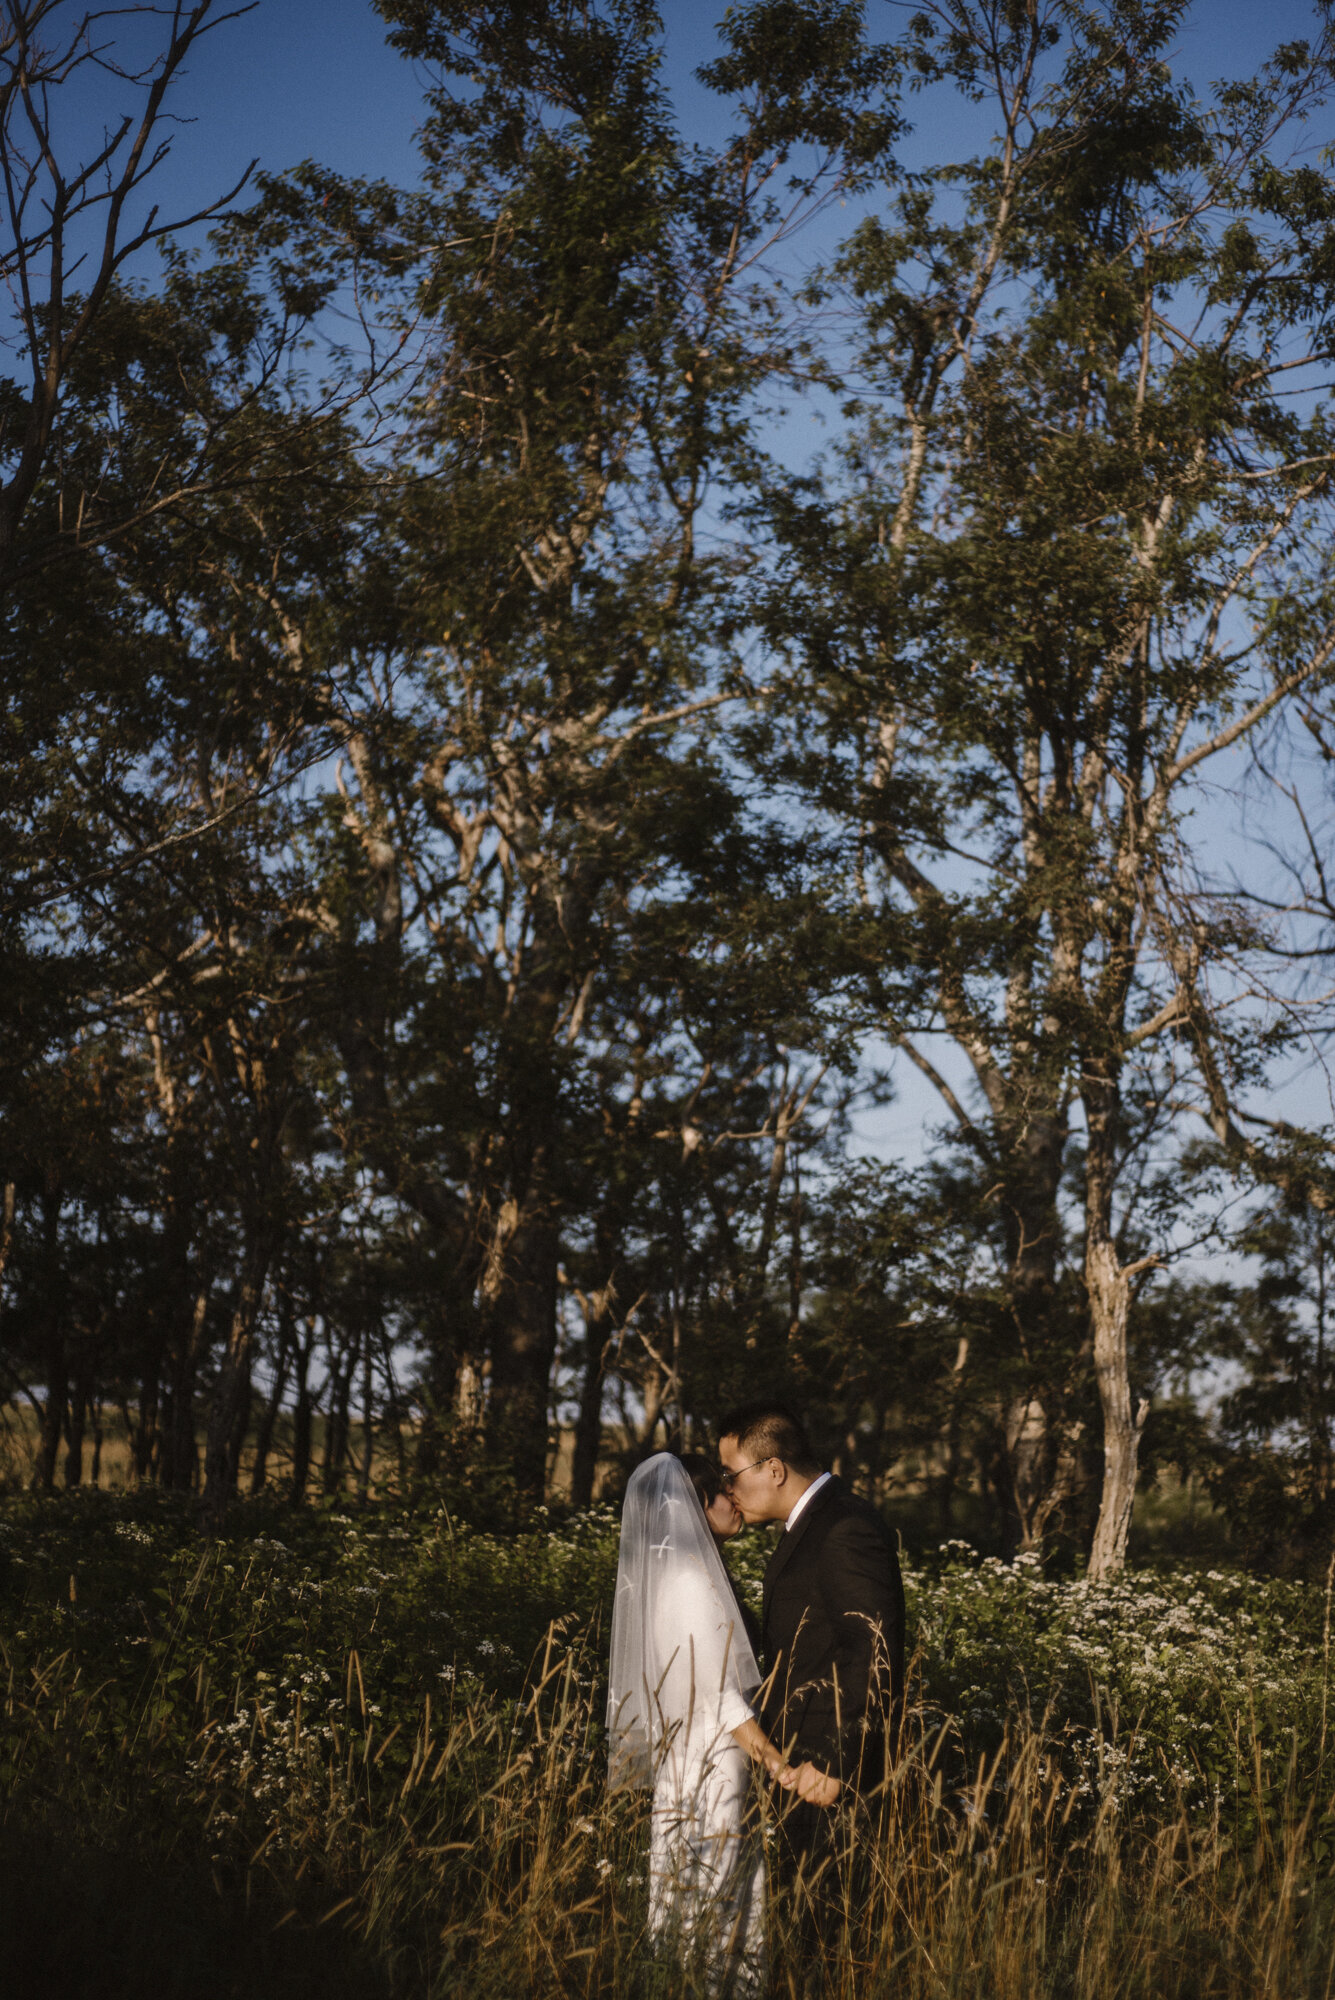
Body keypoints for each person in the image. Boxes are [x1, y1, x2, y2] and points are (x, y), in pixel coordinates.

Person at [716, 1402, 905, 1933]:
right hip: (795, 1767)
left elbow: (873, 1650)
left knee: (826, 1931)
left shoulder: (844, 1526)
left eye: (732, 1475)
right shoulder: (812, 1523)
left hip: (826, 1773)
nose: (728, 1489)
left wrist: (835, 1761)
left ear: (773, 1469)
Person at [606, 1451, 786, 1993]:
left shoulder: (687, 1576)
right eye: (721, 1492)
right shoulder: (688, 1582)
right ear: (692, 1506)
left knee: (708, 1895)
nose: (735, 1499)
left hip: (694, 1764)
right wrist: (778, 1763)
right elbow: (722, 1697)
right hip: (711, 1769)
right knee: (717, 1897)